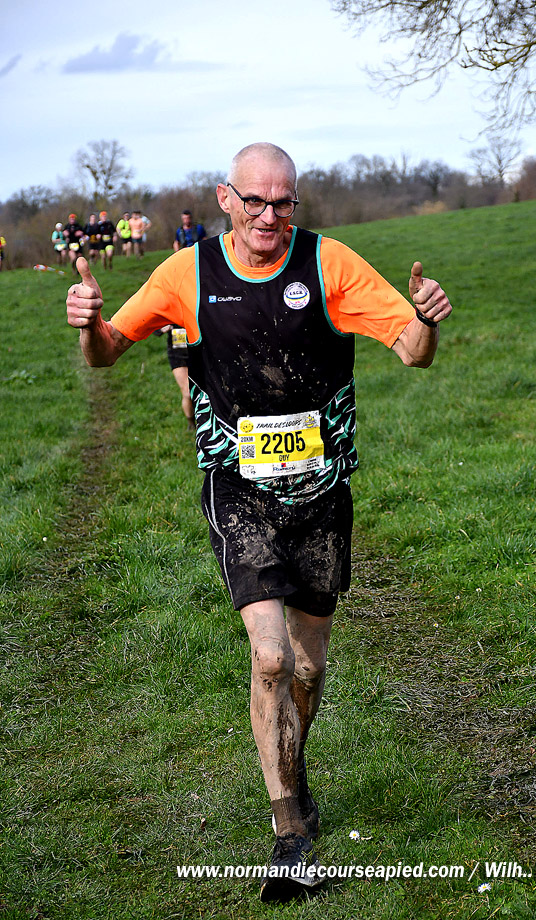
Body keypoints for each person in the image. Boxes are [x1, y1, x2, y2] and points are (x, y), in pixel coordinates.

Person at [66, 142, 452, 902]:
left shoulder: (329, 263)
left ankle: (293, 774)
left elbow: (413, 353)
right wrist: (89, 322)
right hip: (238, 490)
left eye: (283, 202)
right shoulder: (186, 274)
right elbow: (106, 354)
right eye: (254, 201)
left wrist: (428, 318)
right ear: (225, 198)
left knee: (307, 667)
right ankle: (288, 833)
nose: (269, 216)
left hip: (321, 493)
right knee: (270, 657)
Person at [153, 323, 196, 429]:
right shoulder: (172, 312)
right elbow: (154, 326)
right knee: (187, 392)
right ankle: (191, 423)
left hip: (198, 352)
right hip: (178, 355)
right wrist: (161, 329)